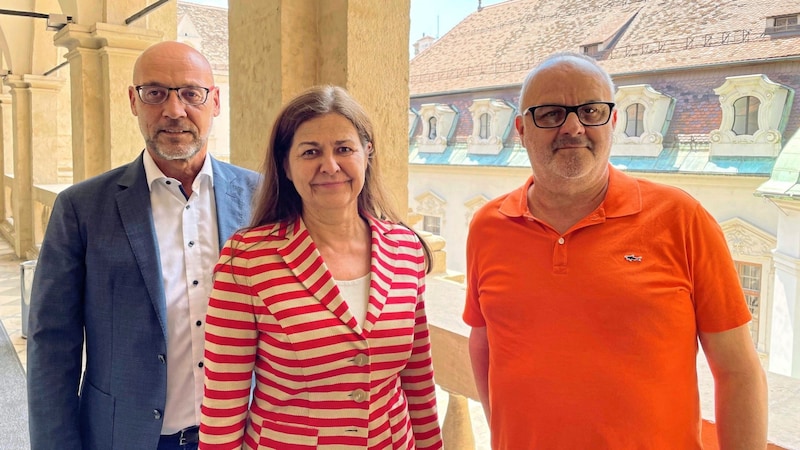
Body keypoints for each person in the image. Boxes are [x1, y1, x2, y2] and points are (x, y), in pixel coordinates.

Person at [464, 52, 768, 449]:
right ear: (521, 129)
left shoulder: (681, 218)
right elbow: (484, 341)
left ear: (613, 121)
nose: (573, 127)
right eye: (551, 114)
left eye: (591, 110)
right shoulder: (489, 225)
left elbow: (738, 370)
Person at [26, 41, 259, 450]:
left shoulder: (260, 198)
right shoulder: (81, 208)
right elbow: (53, 346)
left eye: (191, 93)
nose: (174, 110)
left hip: (242, 435)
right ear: (133, 101)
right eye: (155, 93)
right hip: (126, 436)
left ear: (215, 101)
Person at [198, 85, 443, 449]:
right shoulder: (248, 260)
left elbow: (418, 380)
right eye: (311, 152)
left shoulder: (405, 248)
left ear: (366, 153)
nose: (330, 166)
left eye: (344, 149)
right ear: (286, 165)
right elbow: (224, 401)